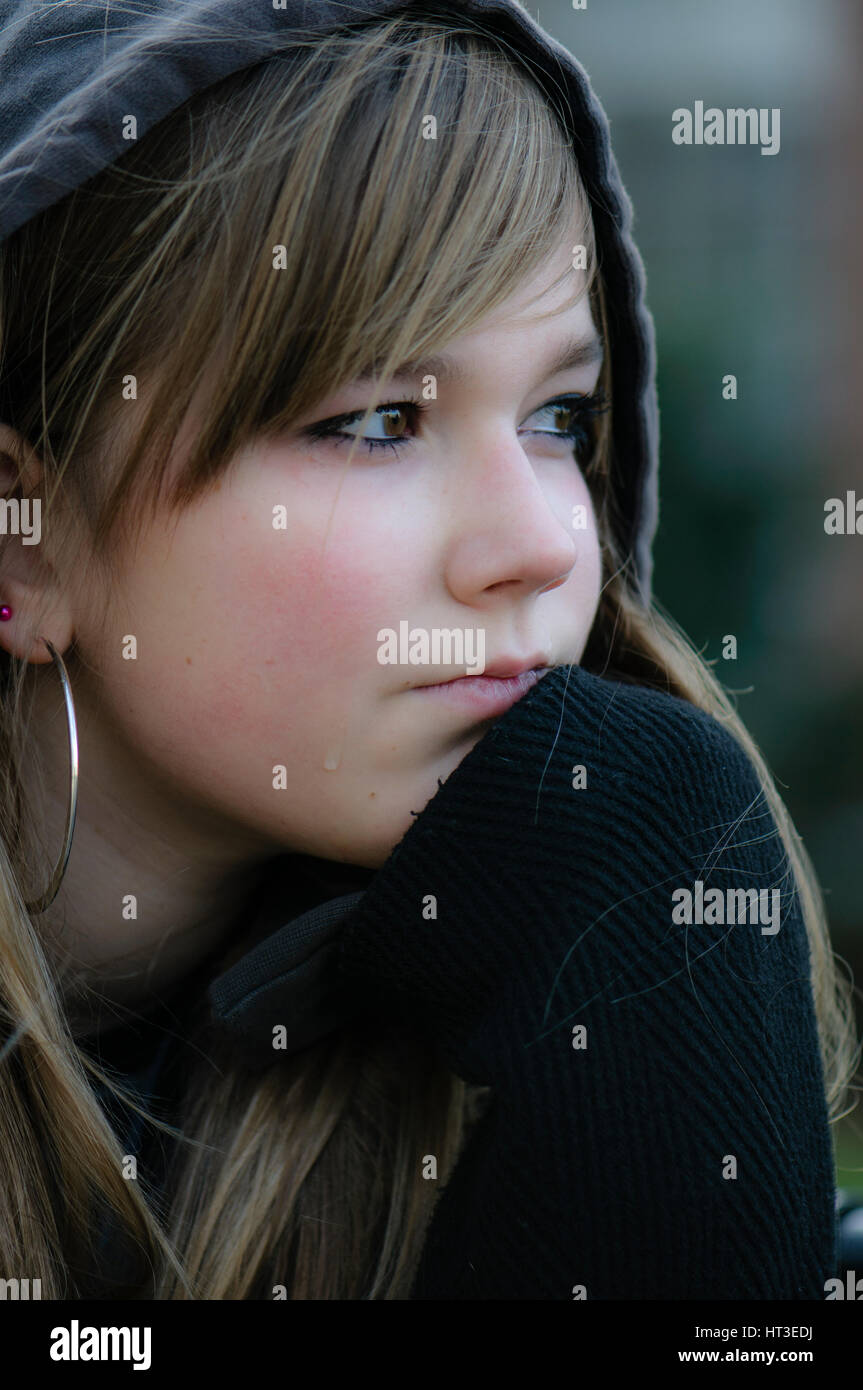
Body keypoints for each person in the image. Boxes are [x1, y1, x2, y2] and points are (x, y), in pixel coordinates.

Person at [0, 0, 856, 1301]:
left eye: (562, 414)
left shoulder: (553, 941)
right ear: (28, 547)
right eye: (381, 419)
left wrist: (658, 913)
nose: (544, 544)